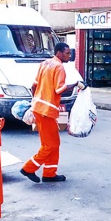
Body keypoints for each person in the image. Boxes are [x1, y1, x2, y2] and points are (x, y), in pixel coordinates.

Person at [20, 42, 83, 183]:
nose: (69, 55)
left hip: (39, 109)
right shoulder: (59, 67)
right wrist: (76, 84)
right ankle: (28, 168)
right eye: (67, 53)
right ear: (59, 53)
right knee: (51, 145)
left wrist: (35, 102)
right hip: (46, 111)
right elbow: (59, 90)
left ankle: (49, 173)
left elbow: (34, 85)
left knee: (52, 143)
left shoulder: (45, 63)